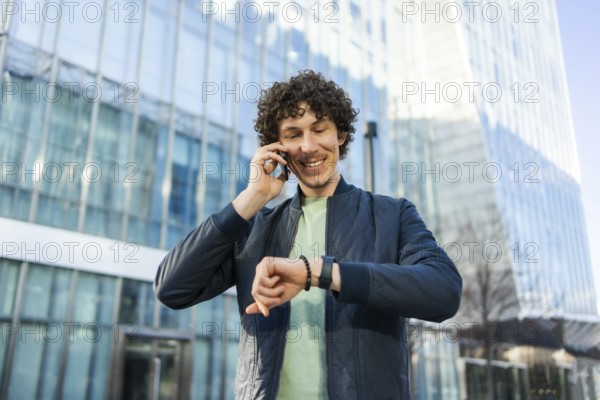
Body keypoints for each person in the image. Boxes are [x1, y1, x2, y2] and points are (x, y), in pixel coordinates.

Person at [154, 70, 462, 399]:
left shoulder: (392, 216)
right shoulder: (255, 229)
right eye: (292, 134)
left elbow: (444, 292)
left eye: (319, 129)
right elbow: (172, 288)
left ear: (340, 134)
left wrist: (319, 273)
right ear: (277, 146)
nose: (308, 146)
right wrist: (252, 198)